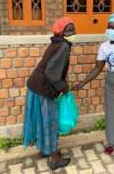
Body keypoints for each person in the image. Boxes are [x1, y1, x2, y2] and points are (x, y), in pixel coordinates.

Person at [72, 13, 114, 170]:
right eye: (109, 27)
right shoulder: (104, 46)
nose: (110, 30)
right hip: (111, 84)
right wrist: (82, 83)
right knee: (112, 115)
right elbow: (98, 68)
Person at [23, 17, 76, 170]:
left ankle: (44, 149)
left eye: (73, 29)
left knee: (41, 119)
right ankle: (54, 158)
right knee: (50, 121)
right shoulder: (64, 46)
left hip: (35, 86)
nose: (72, 33)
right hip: (43, 89)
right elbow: (52, 73)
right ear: (61, 32)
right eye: (69, 30)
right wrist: (63, 87)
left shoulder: (57, 43)